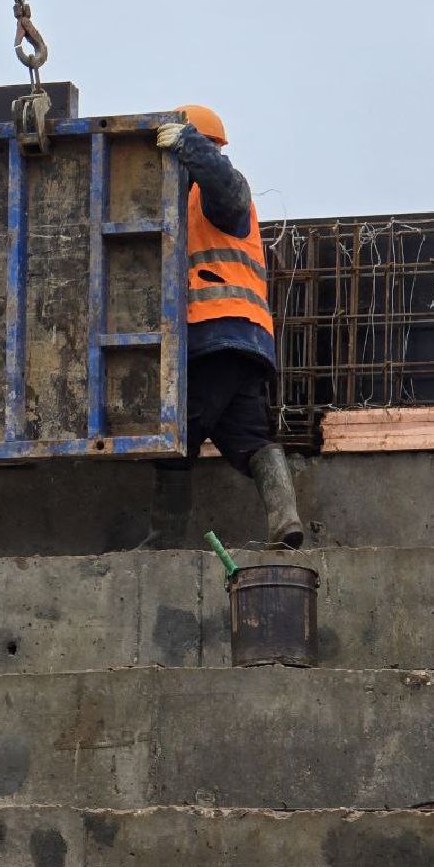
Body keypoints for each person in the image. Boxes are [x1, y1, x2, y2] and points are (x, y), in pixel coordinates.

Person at [148, 104, 304, 549]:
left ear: (202, 144)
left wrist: (187, 144)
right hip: (244, 340)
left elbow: (223, 184)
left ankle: (164, 540)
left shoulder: (216, 191)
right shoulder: (180, 199)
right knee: (248, 439)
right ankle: (285, 520)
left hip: (217, 333)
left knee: (176, 436)